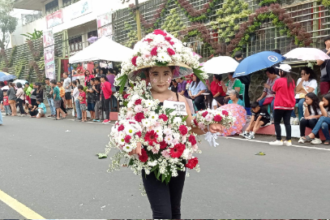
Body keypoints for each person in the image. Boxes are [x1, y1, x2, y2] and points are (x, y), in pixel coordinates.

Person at [269, 64, 295, 146]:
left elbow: (273, 90)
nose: (279, 72)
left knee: (277, 122)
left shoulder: (278, 80)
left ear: (282, 72)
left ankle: (279, 139)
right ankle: (289, 140)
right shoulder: (292, 81)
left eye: (280, 71)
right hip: (289, 105)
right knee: (287, 123)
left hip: (280, 104)